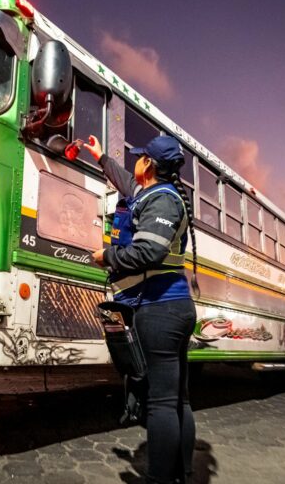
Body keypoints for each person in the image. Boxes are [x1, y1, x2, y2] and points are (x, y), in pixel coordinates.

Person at [84, 134, 198, 484]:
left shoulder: (163, 202)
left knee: (162, 403)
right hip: (172, 306)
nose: (136, 162)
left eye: (140, 157)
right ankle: (182, 472)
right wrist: (102, 157)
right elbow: (126, 181)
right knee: (178, 399)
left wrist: (109, 257)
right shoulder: (150, 193)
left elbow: (148, 253)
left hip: (161, 308)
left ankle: (161, 478)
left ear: (149, 165)